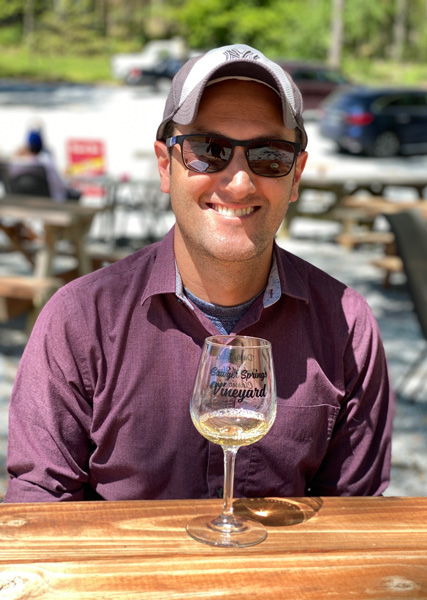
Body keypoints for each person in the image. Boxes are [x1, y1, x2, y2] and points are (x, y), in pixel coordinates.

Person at [4, 44, 394, 503]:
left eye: (269, 155)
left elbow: (355, 522)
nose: (240, 182)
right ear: (166, 165)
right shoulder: (80, 319)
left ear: (296, 176)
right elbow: (40, 512)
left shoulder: (347, 326)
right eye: (210, 151)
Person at [11, 129, 80, 202]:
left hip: (25, 203)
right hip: (51, 203)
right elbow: (59, 186)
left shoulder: (16, 165)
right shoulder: (47, 163)